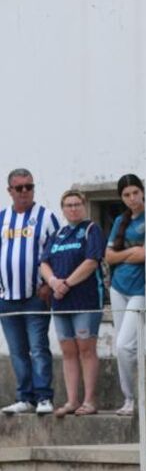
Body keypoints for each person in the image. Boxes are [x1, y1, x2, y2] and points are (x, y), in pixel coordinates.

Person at [39, 190, 106, 416]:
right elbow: (44, 263)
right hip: (60, 303)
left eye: (77, 204)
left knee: (86, 349)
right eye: (68, 205)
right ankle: (72, 400)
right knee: (68, 351)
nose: (73, 208)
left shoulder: (91, 230)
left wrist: (66, 284)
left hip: (85, 301)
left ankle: (89, 401)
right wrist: (53, 282)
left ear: (84, 206)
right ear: (63, 209)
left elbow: (91, 262)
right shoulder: (57, 235)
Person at [0, 169, 60, 415]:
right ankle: (25, 397)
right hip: (6, 298)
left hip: (36, 296)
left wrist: (48, 284)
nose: (25, 191)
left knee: (38, 348)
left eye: (29, 186)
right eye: (19, 188)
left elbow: (57, 252)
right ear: (10, 191)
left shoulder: (46, 217)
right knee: (17, 351)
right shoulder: (2, 218)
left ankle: (43, 397)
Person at [104, 174, 146, 416]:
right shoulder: (121, 220)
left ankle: (137, 396)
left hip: (140, 290)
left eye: (135, 193)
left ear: (142, 191)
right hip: (118, 288)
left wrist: (125, 255)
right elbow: (109, 257)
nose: (132, 198)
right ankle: (128, 398)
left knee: (124, 345)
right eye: (126, 195)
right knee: (123, 347)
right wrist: (132, 252)